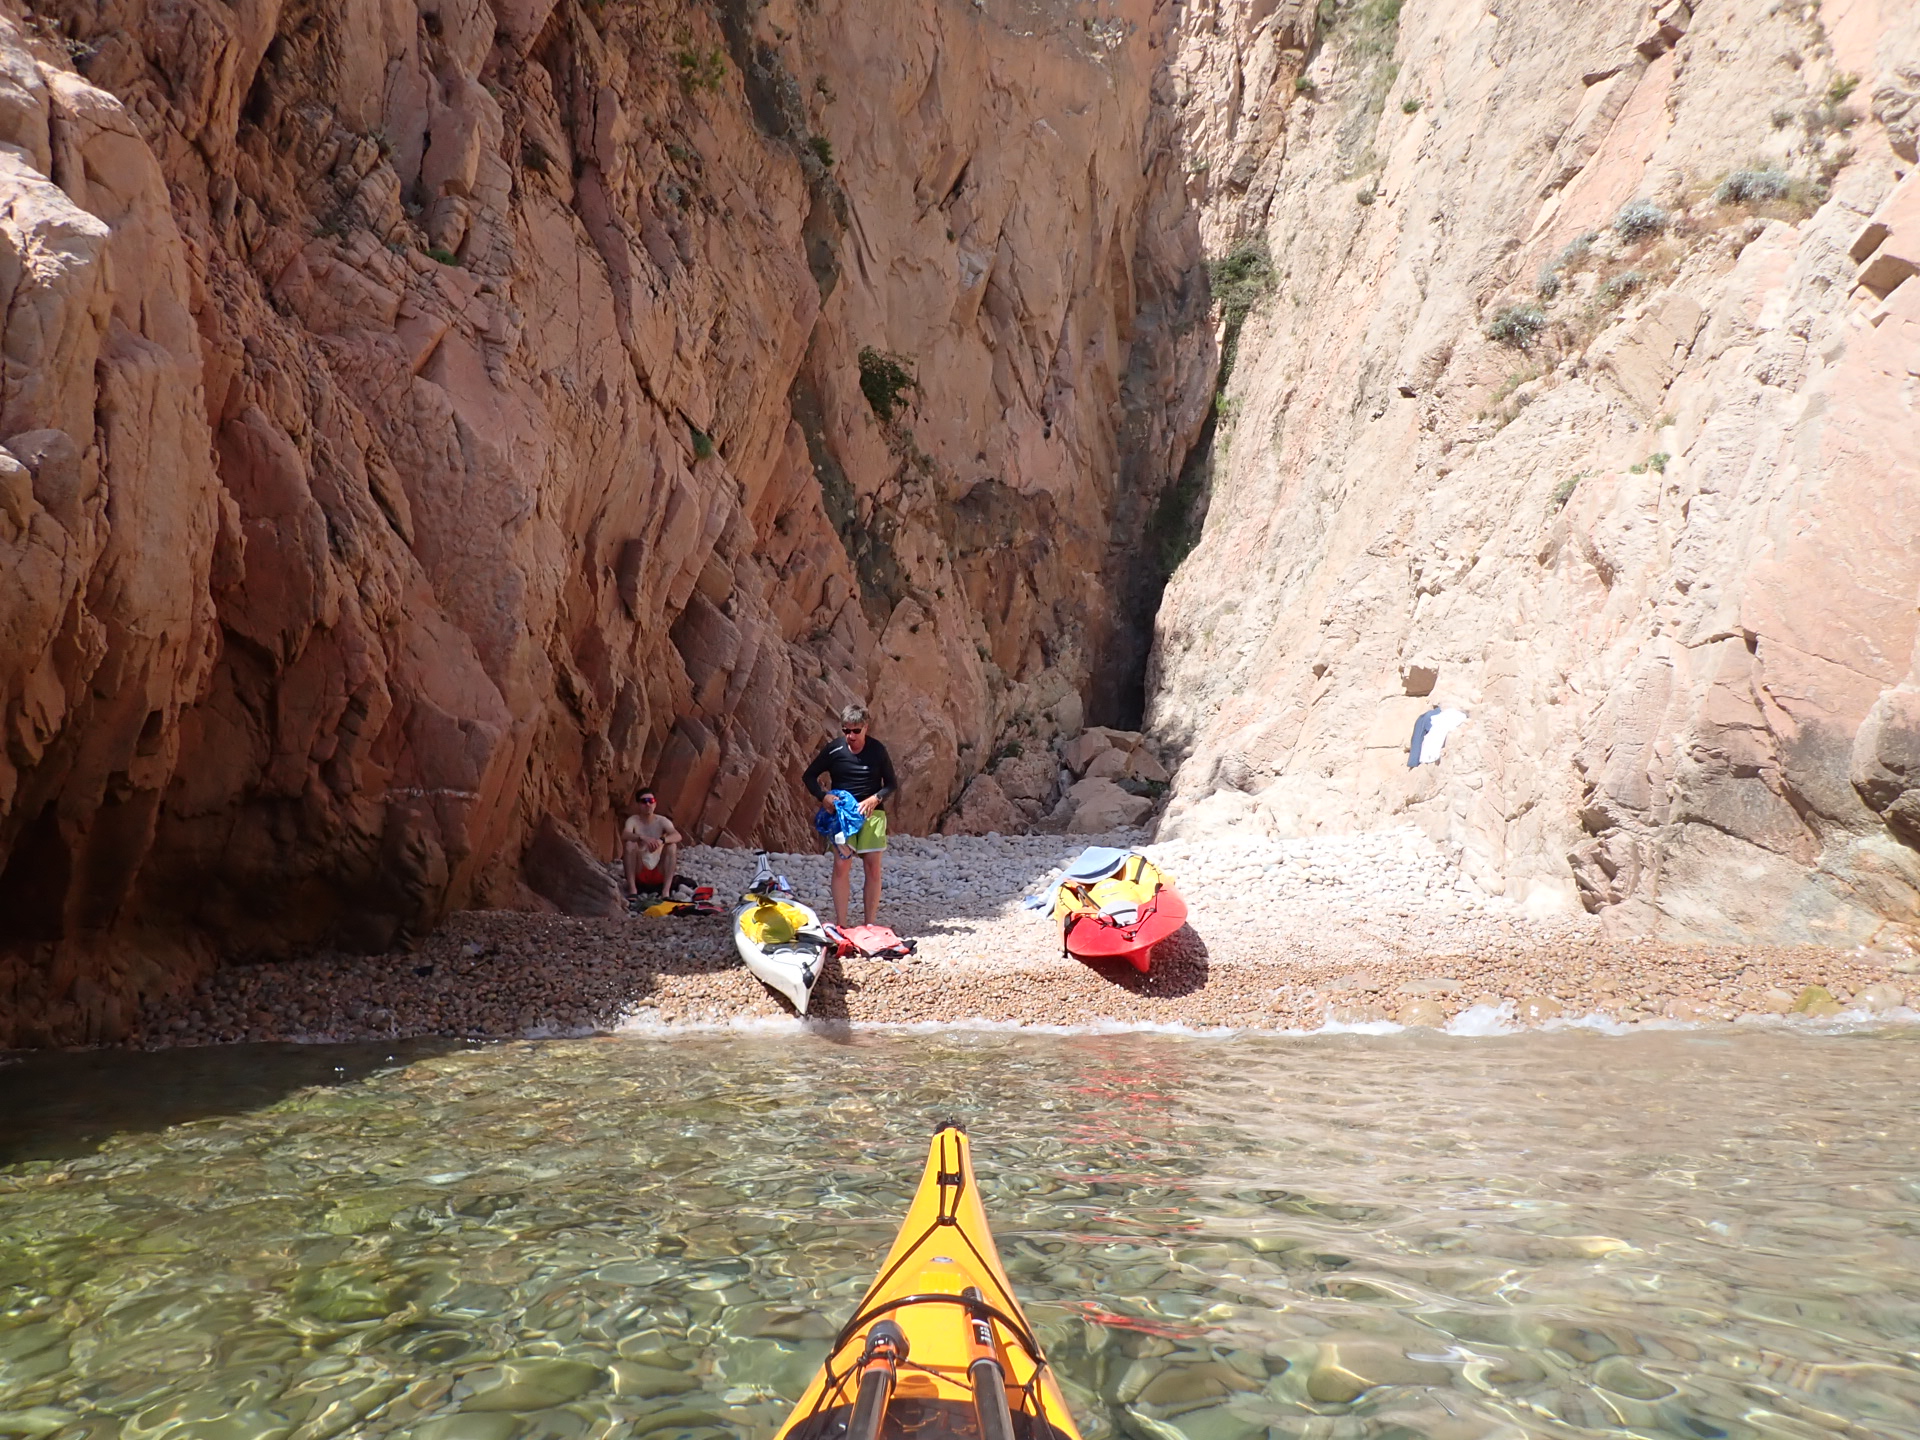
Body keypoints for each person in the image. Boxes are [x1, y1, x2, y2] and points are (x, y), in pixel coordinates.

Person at [802, 703, 898, 928]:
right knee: (841, 865)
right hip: (841, 817)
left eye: (856, 730)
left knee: (873, 867)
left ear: (866, 727)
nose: (851, 736)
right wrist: (823, 796)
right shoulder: (834, 749)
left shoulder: (877, 750)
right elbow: (809, 776)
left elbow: (892, 784)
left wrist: (876, 798)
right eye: (846, 730)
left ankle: (869, 924)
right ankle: (842, 924)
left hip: (872, 815)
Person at [618, 787, 682, 901]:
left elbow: (677, 835)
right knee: (630, 845)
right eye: (644, 801)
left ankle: (665, 892)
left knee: (672, 846)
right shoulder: (634, 820)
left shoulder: (662, 821)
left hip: (658, 869)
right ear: (638, 804)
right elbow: (625, 835)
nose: (648, 804)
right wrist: (642, 837)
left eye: (650, 801)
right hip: (640, 869)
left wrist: (661, 840)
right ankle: (633, 890)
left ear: (655, 803)